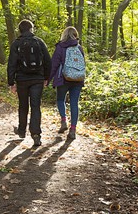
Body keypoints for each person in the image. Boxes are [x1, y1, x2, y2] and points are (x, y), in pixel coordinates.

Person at [7, 19, 51, 147]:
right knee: (36, 106)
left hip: (22, 79)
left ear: (19, 30)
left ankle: (21, 131)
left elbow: (12, 64)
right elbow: (48, 61)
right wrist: (46, 77)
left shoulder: (16, 43)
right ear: (31, 29)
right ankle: (36, 135)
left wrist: (11, 82)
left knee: (23, 105)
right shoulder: (39, 42)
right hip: (37, 79)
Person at [49, 26, 85, 140]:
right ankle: (73, 129)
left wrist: (47, 79)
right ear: (75, 35)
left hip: (63, 78)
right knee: (74, 103)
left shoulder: (60, 47)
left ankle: (64, 120)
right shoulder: (79, 48)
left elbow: (54, 64)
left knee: (60, 99)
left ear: (64, 35)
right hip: (78, 79)